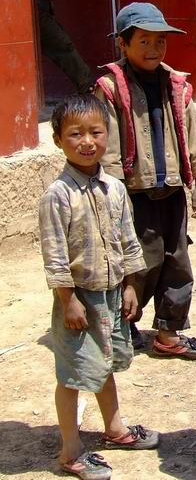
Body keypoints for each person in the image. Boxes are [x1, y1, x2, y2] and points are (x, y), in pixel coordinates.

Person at [39, 94, 159, 480]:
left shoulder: (114, 188)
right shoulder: (58, 195)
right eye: (76, 134)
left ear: (108, 134)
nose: (87, 141)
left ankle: (115, 428)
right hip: (79, 299)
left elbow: (127, 240)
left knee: (105, 362)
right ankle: (70, 450)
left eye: (96, 132)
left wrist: (131, 286)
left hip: (112, 293)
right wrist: (68, 300)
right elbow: (55, 254)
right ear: (58, 140)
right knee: (73, 373)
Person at [93, 2, 196, 359]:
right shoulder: (111, 89)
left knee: (177, 262)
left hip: (172, 190)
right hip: (134, 193)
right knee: (140, 263)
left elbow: (193, 134)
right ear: (123, 43)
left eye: (159, 41)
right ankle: (125, 324)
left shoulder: (176, 85)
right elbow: (107, 143)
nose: (153, 49)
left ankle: (169, 332)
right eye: (144, 41)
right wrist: (113, 193)